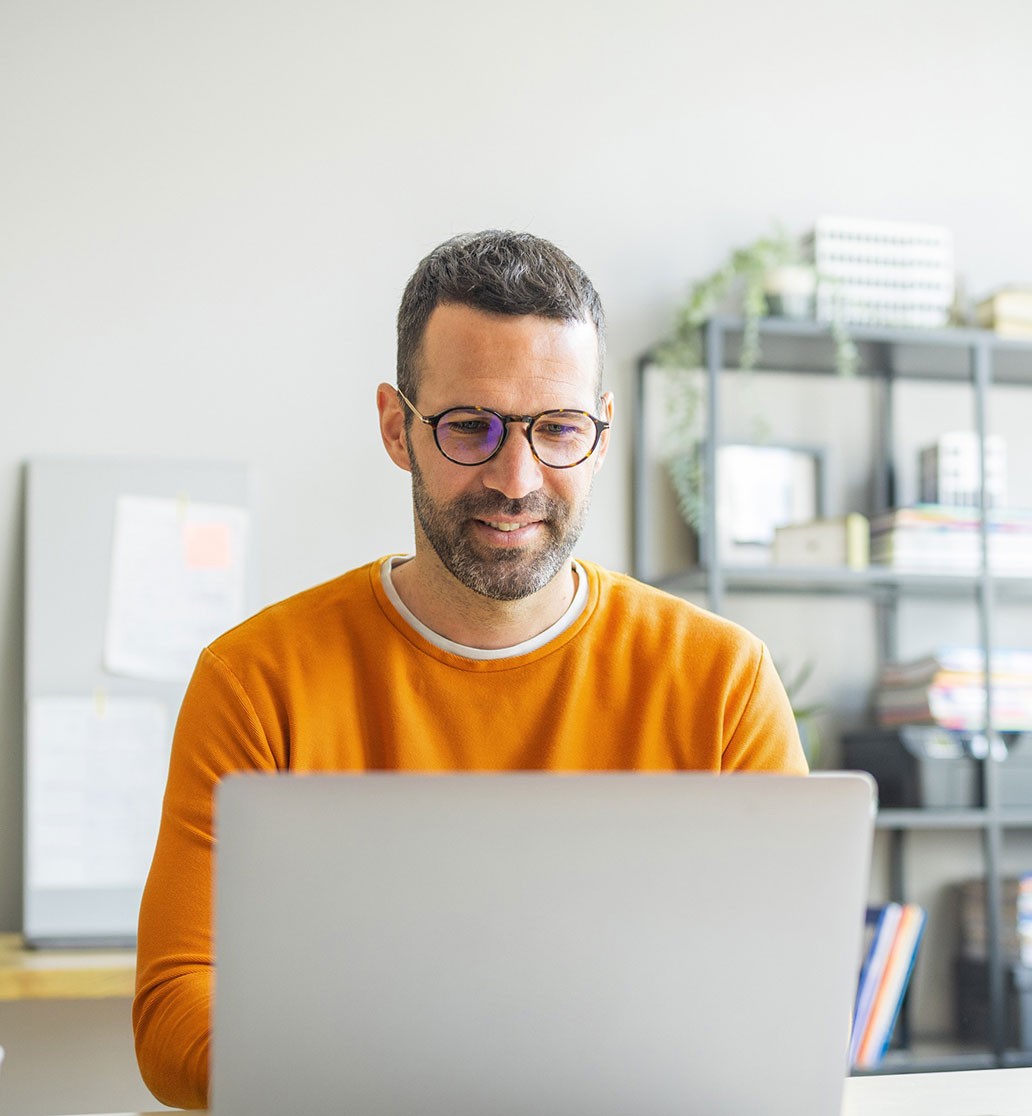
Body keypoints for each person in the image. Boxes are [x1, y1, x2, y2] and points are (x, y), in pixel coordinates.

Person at [132, 229, 807, 1109]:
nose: (516, 477)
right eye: (471, 427)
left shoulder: (722, 682)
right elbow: (176, 1010)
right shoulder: (257, 679)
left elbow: (790, 993)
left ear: (600, 434)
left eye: (557, 428)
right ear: (396, 427)